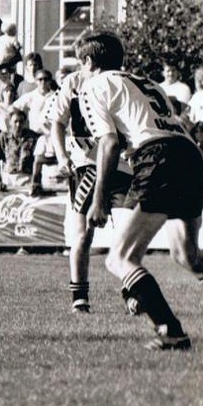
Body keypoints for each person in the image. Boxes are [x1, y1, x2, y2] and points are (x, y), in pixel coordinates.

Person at [77, 31, 203, 349]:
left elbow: (108, 144)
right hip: (190, 155)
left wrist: (99, 200)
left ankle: (170, 330)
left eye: (79, 63)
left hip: (158, 156)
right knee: (186, 255)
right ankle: (152, 309)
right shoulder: (146, 82)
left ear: (89, 61)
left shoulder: (93, 86)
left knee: (119, 258)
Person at [46, 63, 133, 313]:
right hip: (86, 164)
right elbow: (57, 122)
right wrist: (62, 156)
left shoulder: (120, 81)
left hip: (121, 163)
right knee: (83, 232)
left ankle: (131, 290)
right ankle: (80, 298)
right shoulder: (73, 82)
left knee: (126, 231)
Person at [0, 108, 37, 190]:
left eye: (21, 121)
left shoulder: (33, 137)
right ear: (10, 122)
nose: (18, 124)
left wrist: (35, 180)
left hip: (26, 177)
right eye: (15, 121)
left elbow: (37, 160)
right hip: (8, 177)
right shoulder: (3, 137)